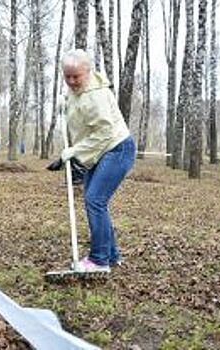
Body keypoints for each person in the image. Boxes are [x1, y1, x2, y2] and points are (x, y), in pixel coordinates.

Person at [47, 49, 136, 273]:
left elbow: (104, 133)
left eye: (76, 76)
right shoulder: (77, 90)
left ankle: (99, 259)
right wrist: (64, 102)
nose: (71, 81)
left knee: (95, 200)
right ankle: (112, 254)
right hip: (99, 152)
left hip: (117, 149)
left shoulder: (95, 96)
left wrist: (75, 150)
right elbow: (77, 103)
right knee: (95, 201)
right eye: (67, 76)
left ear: (87, 71)